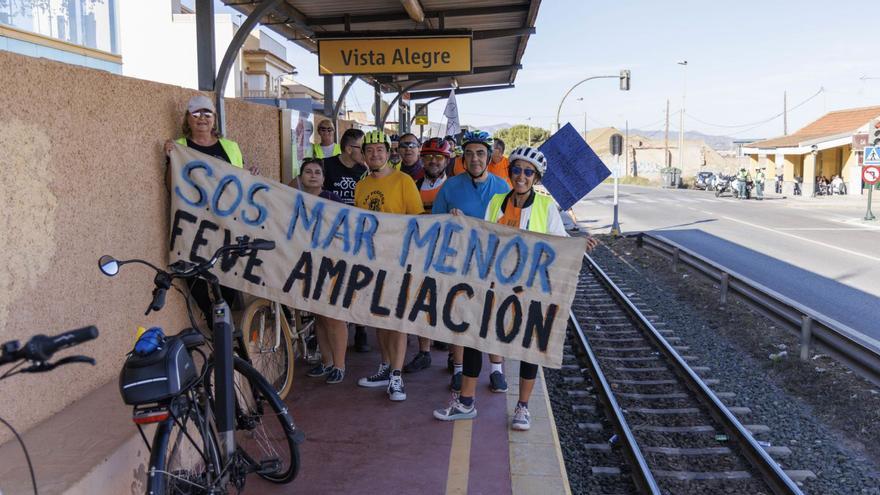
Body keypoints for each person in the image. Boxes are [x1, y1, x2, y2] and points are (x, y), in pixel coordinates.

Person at [434, 146, 599, 430]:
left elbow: (559, 243)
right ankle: (466, 402)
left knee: (528, 346)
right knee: (476, 337)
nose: (521, 176)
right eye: (517, 170)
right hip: (494, 285)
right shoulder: (497, 200)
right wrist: (462, 223)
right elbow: (485, 235)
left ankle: (522, 407)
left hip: (529, 288)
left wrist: (577, 244)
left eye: (528, 172)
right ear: (509, 172)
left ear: (535, 177)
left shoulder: (545, 207)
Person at [163, 94, 256, 330]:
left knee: (230, 272)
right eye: (196, 113)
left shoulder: (230, 147)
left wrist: (250, 177)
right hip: (193, 224)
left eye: (207, 113)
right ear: (188, 118)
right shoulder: (180, 147)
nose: (202, 118)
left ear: (214, 118)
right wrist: (171, 158)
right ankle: (212, 317)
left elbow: (240, 182)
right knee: (191, 272)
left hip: (227, 223)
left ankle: (224, 318)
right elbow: (170, 186)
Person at [431, 130, 511, 395]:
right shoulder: (451, 186)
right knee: (460, 314)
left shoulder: (502, 187)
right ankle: (458, 367)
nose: (474, 158)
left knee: (492, 315)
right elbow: (436, 224)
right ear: (462, 158)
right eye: (469, 154)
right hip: (459, 262)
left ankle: (497, 369)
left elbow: (511, 227)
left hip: (492, 263)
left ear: (488, 156)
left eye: (479, 153)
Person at [354, 130, 424, 401]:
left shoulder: (403, 181)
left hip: (399, 261)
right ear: (363, 154)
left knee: (397, 320)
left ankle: (397, 375)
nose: (375, 154)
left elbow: (418, 221)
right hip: (372, 261)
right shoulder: (361, 184)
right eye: (369, 150)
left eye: (379, 150)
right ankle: (384, 367)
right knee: (378, 317)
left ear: (388, 152)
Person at [291, 159, 349, 384]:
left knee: (333, 317)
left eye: (317, 172)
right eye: (308, 172)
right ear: (300, 176)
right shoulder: (294, 200)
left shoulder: (332, 200)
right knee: (319, 317)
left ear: (324, 178)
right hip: (307, 265)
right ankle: (326, 362)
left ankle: (340, 365)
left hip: (331, 264)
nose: (313, 175)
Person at [402, 138, 453, 374]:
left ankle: (455, 355)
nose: (433, 161)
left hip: (448, 252)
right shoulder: (413, 184)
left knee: (451, 303)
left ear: (447, 160)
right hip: (420, 251)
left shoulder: (453, 187)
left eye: (438, 157)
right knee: (421, 301)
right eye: (429, 157)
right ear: (422, 160)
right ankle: (424, 352)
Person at [321, 128, 371, 353]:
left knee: (357, 282)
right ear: (350, 148)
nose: (367, 153)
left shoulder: (364, 171)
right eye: (363, 148)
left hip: (357, 235)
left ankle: (360, 328)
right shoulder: (325, 165)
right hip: (330, 235)